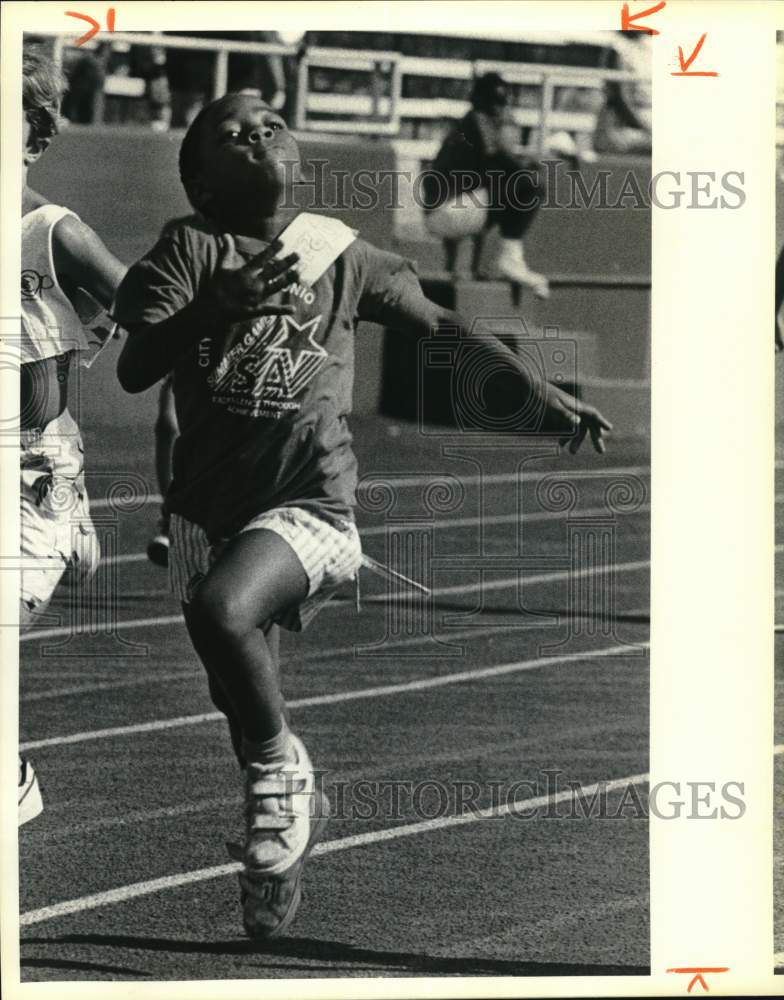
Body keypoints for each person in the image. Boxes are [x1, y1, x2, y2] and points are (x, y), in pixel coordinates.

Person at [113, 92, 612, 939]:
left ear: (297, 158)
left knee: (220, 613)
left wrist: (541, 396)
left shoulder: (335, 253)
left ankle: (282, 777)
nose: (258, 134)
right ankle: (278, 854)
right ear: (198, 178)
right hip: (208, 511)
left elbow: (443, 326)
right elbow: (136, 367)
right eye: (231, 134)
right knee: (241, 700)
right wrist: (218, 304)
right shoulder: (189, 248)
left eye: (272, 123)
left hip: (311, 500)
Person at [19, 47, 126, 823]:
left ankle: (14, 781)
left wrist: (89, 334)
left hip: (32, 464)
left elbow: (145, 304)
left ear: (35, 135)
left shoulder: (51, 230)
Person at [422, 72, 549, 297]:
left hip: (439, 213)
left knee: (498, 189)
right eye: (498, 102)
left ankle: (474, 267)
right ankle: (510, 258)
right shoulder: (478, 120)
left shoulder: (465, 125)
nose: (500, 108)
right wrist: (531, 165)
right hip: (448, 212)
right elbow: (500, 159)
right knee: (530, 185)